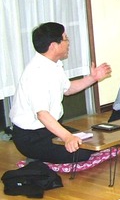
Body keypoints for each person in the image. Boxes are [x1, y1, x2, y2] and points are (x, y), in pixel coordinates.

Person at [9, 22, 112, 164]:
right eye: (65, 38)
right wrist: (67, 137)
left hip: (50, 129)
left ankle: (49, 153)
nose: (68, 42)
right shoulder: (36, 74)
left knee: (94, 141)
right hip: (32, 137)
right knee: (81, 152)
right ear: (53, 45)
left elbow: (68, 89)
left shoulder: (53, 64)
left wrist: (93, 78)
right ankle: (36, 157)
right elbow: (42, 114)